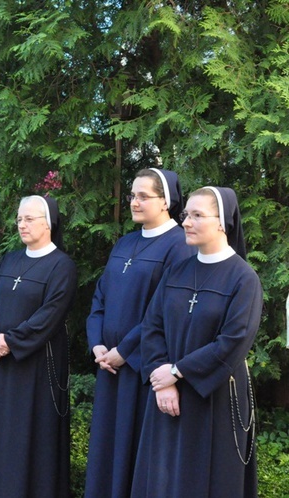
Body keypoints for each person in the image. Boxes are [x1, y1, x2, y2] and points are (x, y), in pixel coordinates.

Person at [131, 187, 262, 497]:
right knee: (162, 477)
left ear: (222, 223)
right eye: (186, 214)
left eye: (197, 215)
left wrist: (177, 372)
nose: (186, 222)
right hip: (167, 395)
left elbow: (234, 340)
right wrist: (161, 380)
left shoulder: (244, 279)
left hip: (213, 397)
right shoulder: (177, 271)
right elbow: (152, 326)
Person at [84, 169, 194, 498]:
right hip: (109, 365)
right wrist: (98, 345)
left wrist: (125, 351)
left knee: (134, 455)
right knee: (106, 451)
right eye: (132, 195)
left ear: (166, 201)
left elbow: (160, 313)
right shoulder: (125, 242)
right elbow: (100, 297)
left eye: (143, 196)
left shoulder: (179, 246)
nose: (134, 201)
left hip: (141, 368)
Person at [0, 195, 77, 498]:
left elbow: (50, 315)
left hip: (36, 369)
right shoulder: (10, 260)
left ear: (49, 223)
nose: (22, 224)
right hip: (1, 366)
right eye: (19, 218)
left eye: (29, 219)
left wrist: (10, 341)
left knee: (29, 438)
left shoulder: (61, 266)